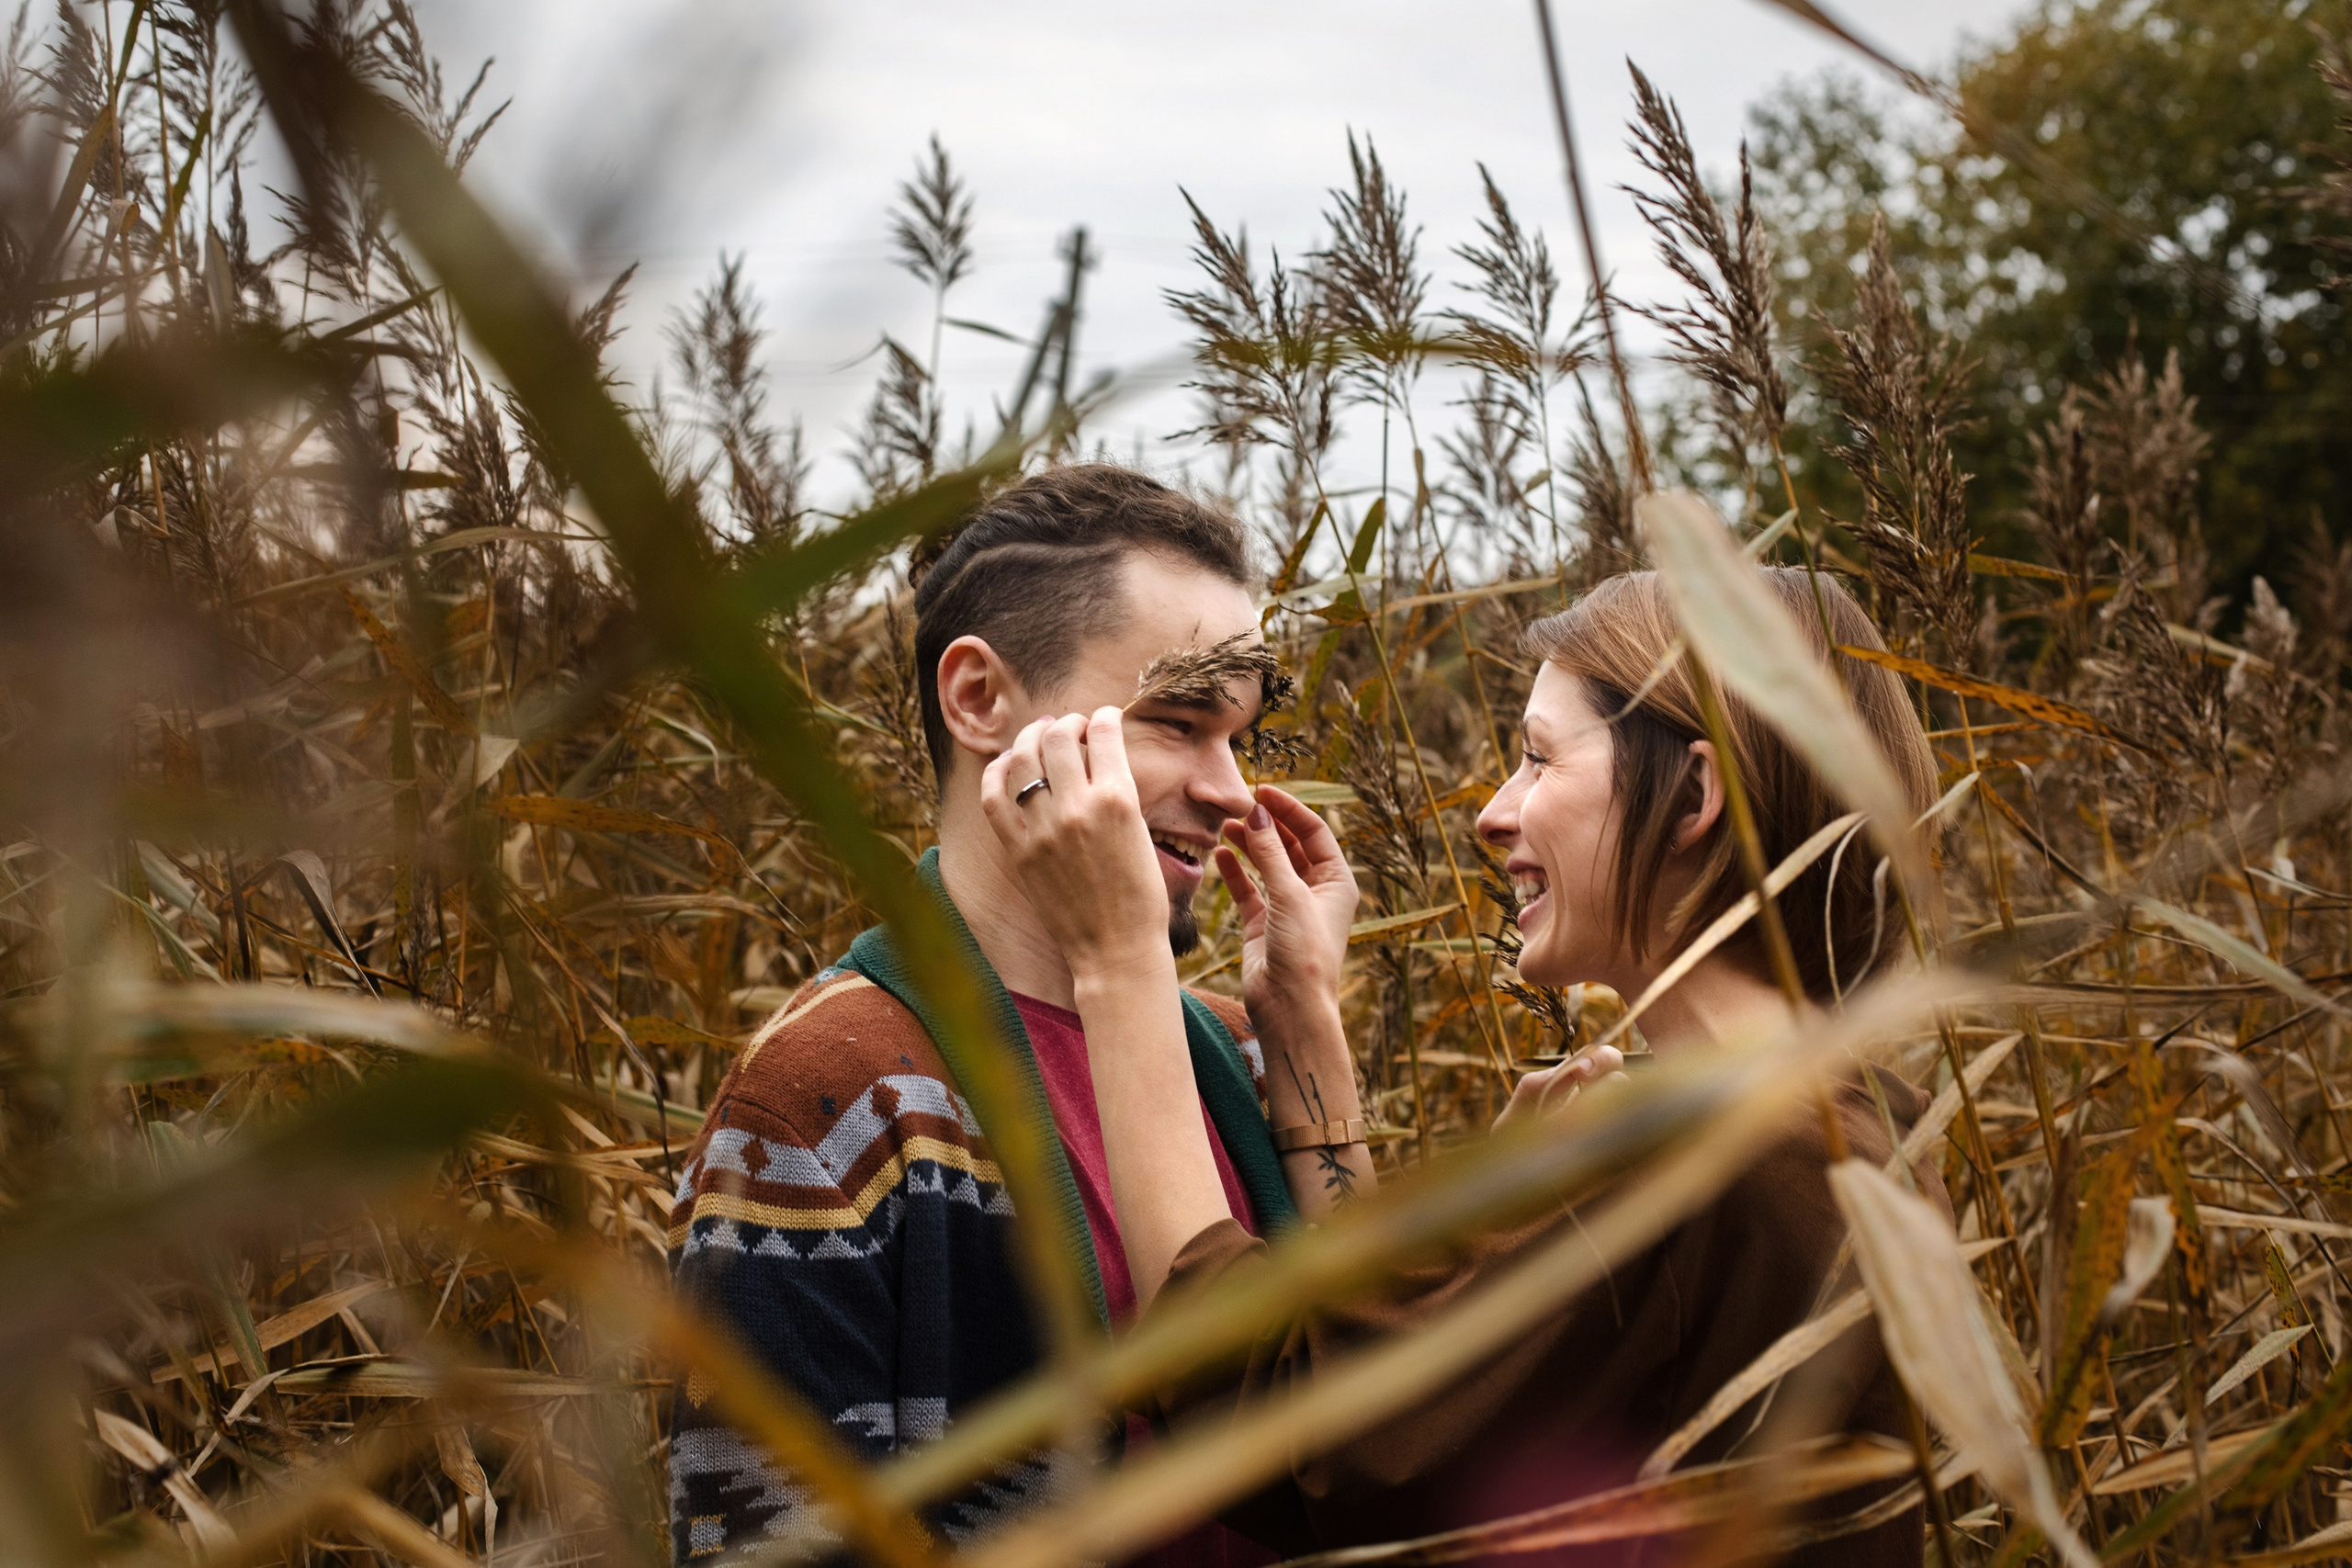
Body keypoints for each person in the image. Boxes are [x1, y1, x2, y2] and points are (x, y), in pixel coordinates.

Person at [980, 564, 1953, 1568]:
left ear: (1693, 794)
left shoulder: (1710, 1155)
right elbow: (1405, 1420)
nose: (1493, 814)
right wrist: (1308, 1031)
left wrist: (1118, 959)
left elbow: (1266, 1410)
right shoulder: (1858, 1124)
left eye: (1537, 760)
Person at [664, 465, 1362, 1565]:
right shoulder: (833, 1095)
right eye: (1178, 721)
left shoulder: (1234, 1045)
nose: (1233, 790)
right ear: (982, 700)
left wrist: (1305, 1021)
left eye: (1241, 738)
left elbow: (1376, 1417)